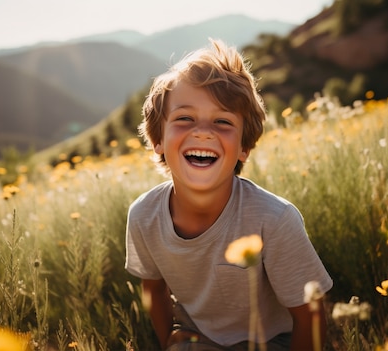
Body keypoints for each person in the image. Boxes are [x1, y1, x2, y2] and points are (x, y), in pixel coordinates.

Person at [124, 39, 333, 351]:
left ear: (244, 148)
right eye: (184, 118)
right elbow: (153, 290)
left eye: (222, 121)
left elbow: (310, 317)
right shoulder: (143, 216)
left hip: (275, 342)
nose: (203, 131)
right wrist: (169, 340)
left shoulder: (274, 219)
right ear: (158, 140)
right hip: (200, 340)